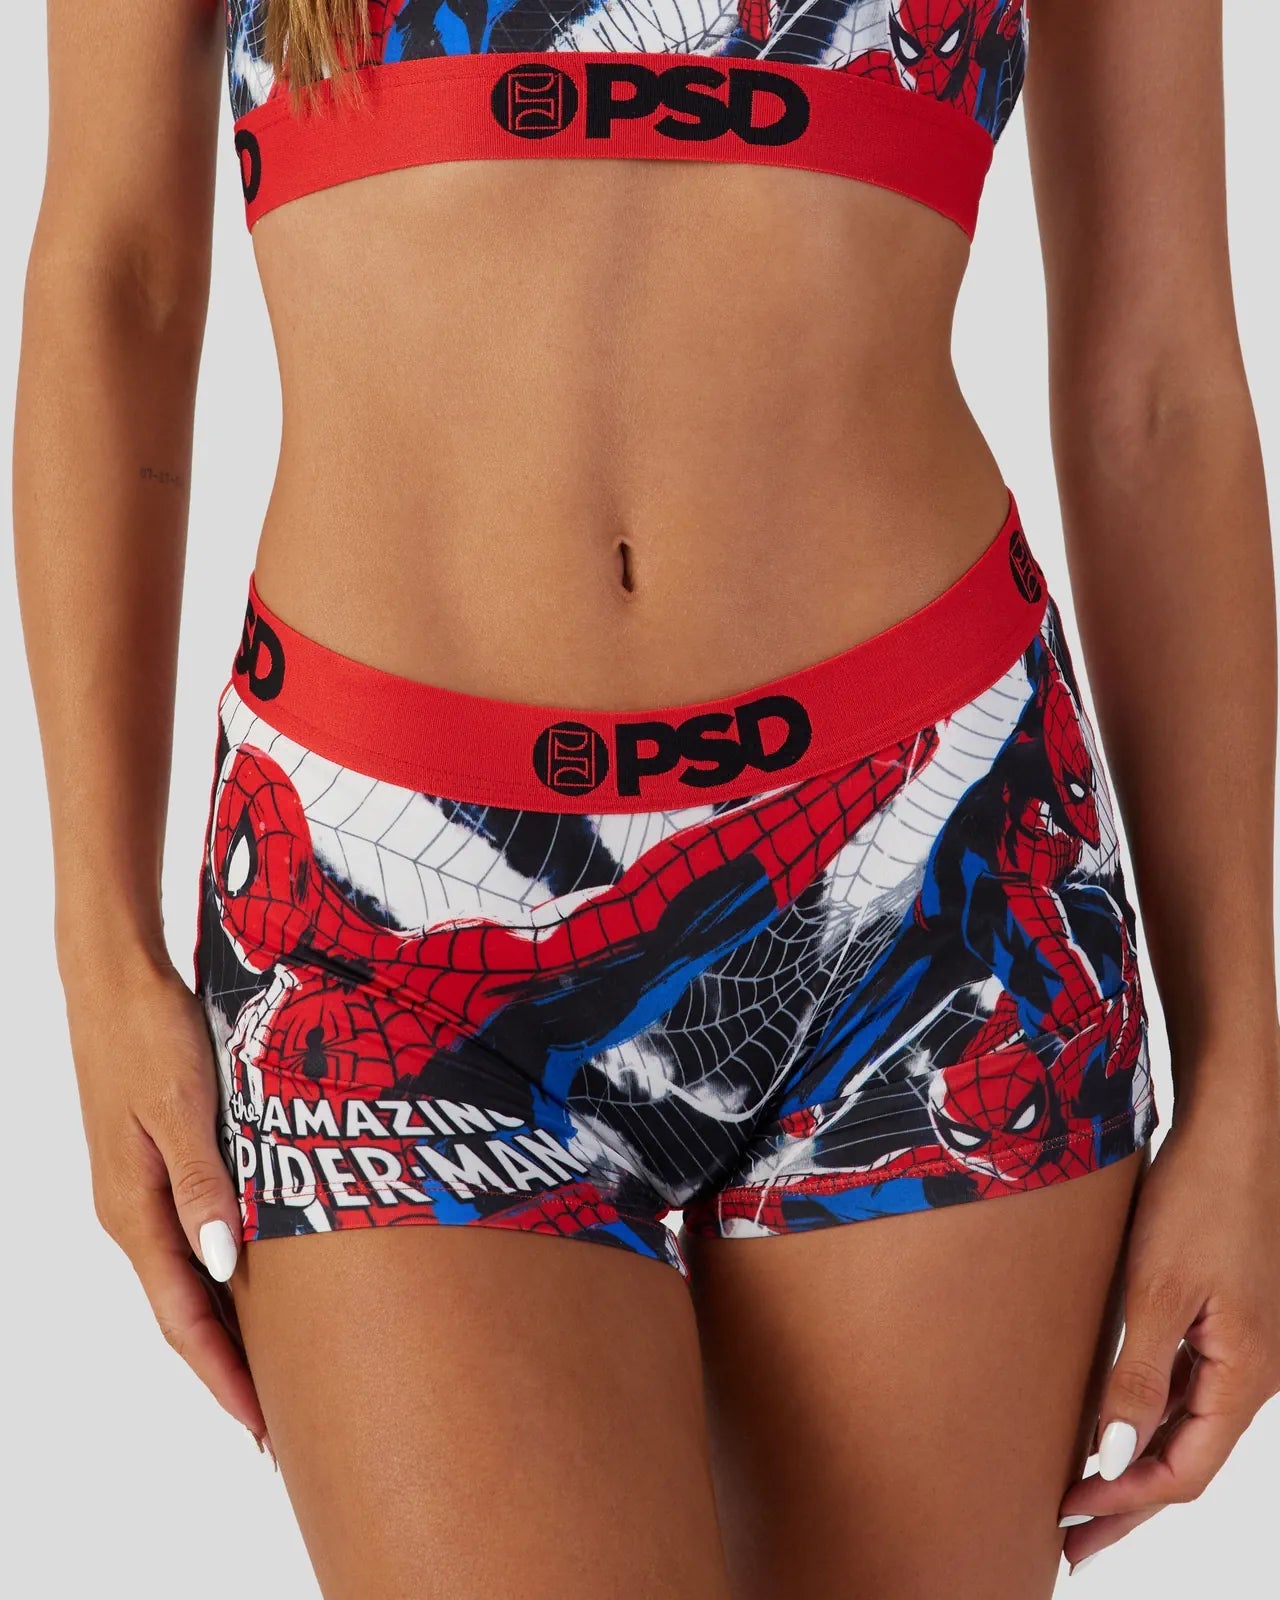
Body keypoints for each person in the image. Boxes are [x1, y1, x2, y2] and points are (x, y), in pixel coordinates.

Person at [14, 2, 1279, 1595]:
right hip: (378, 918)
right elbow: (116, 277)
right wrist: (98, 948)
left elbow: (1156, 385)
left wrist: (1242, 1081)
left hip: (941, 873)